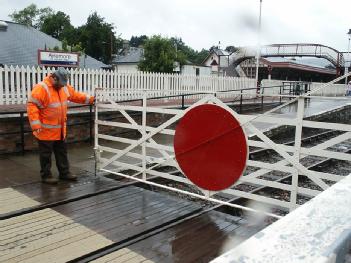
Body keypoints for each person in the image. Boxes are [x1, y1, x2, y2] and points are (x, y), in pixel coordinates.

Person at [27, 67, 95, 184]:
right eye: (60, 84)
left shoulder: (63, 87)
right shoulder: (41, 88)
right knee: (45, 155)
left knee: (62, 152)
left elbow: (75, 95)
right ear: (54, 77)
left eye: (63, 84)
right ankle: (46, 176)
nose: (61, 86)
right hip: (45, 130)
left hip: (59, 130)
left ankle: (64, 173)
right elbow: (32, 106)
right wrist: (36, 124)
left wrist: (91, 99)